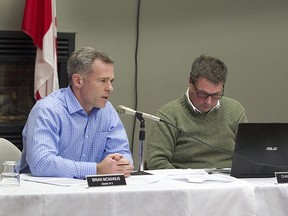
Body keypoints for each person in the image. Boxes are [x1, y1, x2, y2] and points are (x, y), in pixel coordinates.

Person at [19, 46, 134, 179]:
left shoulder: (107, 111)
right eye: (102, 81)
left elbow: (123, 153)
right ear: (78, 81)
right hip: (43, 194)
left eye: (111, 81)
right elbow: (41, 163)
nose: (110, 88)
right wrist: (97, 169)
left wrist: (121, 163)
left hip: (89, 191)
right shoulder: (47, 110)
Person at [146, 55, 247, 170]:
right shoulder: (169, 115)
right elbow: (156, 161)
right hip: (186, 183)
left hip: (230, 182)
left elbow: (249, 155)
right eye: (202, 94)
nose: (208, 102)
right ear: (190, 81)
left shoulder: (234, 110)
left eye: (216, 95)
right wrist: (185, 182)